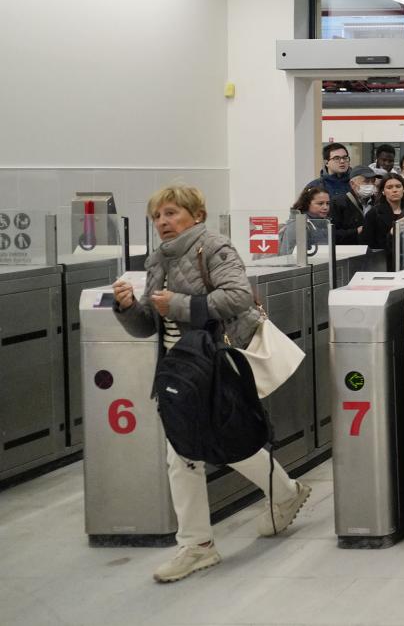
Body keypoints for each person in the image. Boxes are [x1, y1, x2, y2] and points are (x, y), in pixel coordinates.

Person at [111, 184, 311, 583]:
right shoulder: (157, 260)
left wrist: (181, 305)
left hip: (215, 362)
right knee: (185, 451)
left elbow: (237, 296)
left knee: (218, 439)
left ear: (196, 215)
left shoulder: (213, 247)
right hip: (178, 367)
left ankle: (274, 498)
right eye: (157, 216)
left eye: (171, 213)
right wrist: (129, 307)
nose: (163, 222)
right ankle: (200, 544)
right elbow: (150, 324)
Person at [364, 174, 404, 265]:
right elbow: (369, 246)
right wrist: (391, 234)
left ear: (403, 189)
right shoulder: (373, 214)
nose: (394, 190)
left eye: (398, 186)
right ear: (383, 191)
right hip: (384, 263)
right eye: (389, 187)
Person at [329, 167, 376, 247]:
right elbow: (332, 234)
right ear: (352, 184)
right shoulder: (338, 203)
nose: (370, 185)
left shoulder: (376, 203)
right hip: (348, 252)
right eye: (366, 181)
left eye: (373, 181)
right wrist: (356, 231)